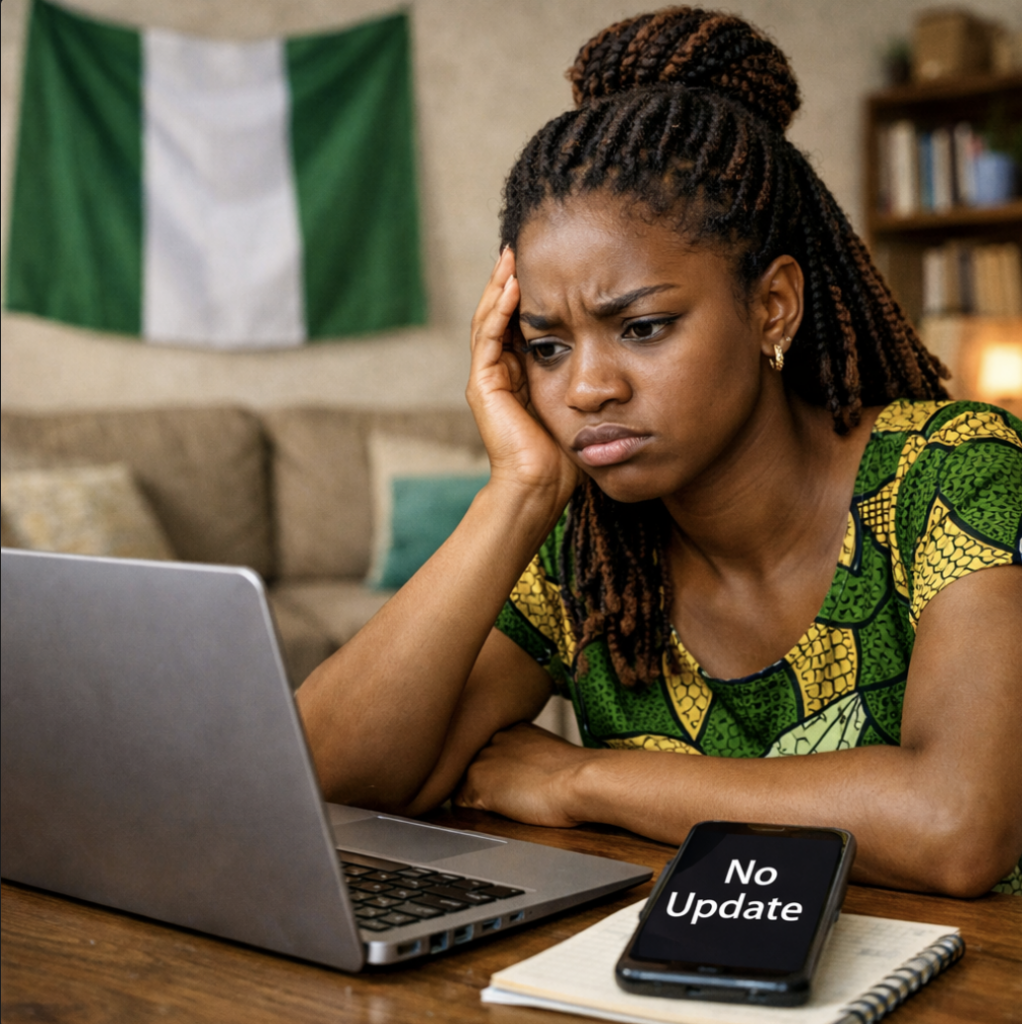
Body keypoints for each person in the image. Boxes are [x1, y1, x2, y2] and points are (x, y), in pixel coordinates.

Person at [297, 7, 1022, 897]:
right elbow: (321, 782)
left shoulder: (953, 472)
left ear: (773, 309)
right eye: (547, 345)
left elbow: (955, 827)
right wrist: (518, 492)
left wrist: (578, 778)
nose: (586, 388)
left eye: (641, 327)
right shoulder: (584, 551)